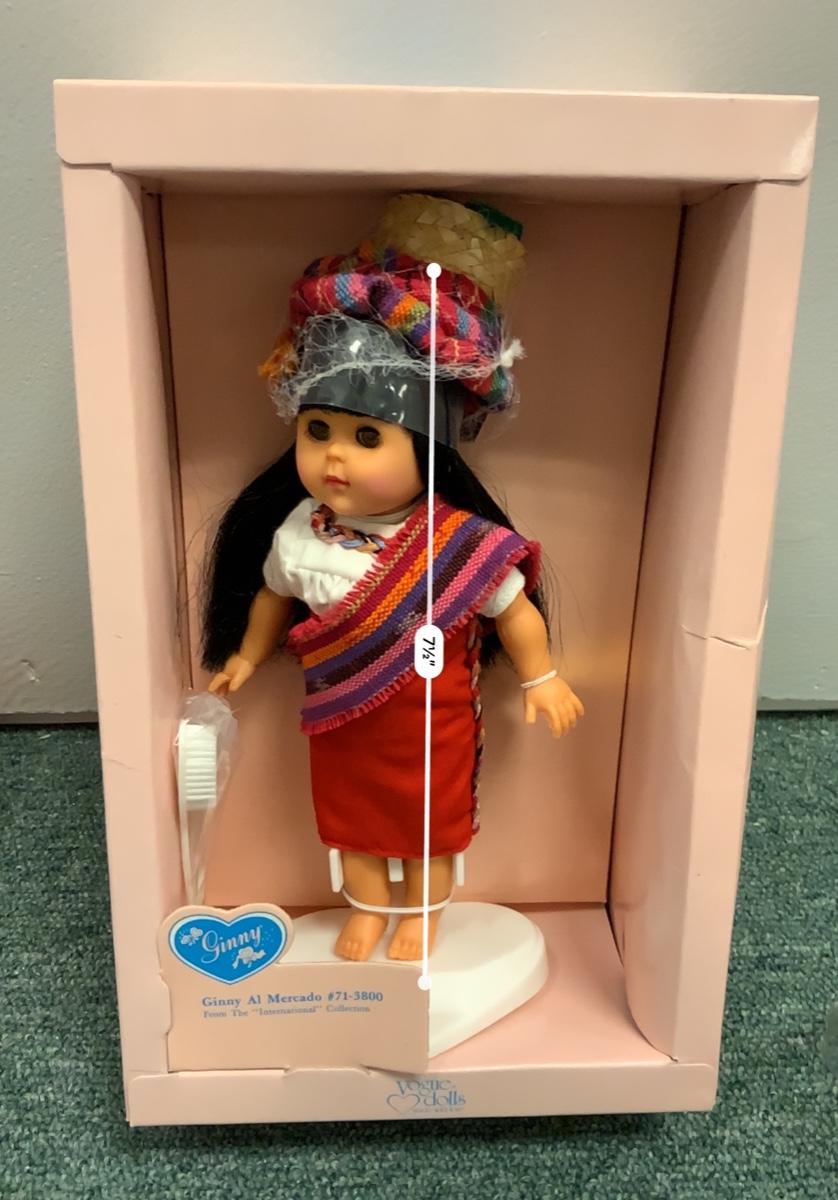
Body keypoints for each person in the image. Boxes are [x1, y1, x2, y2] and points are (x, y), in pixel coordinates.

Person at [202, 195, 584, 963]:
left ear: (427, 449)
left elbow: (512, 609)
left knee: (426, 824)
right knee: (351, 824)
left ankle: (423, 913)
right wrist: (246, 654)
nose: (334, 457)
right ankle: (369, 908)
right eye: (318, 431)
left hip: (430, 723)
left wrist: (541, 676)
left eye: (367, 437)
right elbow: (275, 593)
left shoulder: (459, 544)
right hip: (340, 719)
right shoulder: (300, 531)